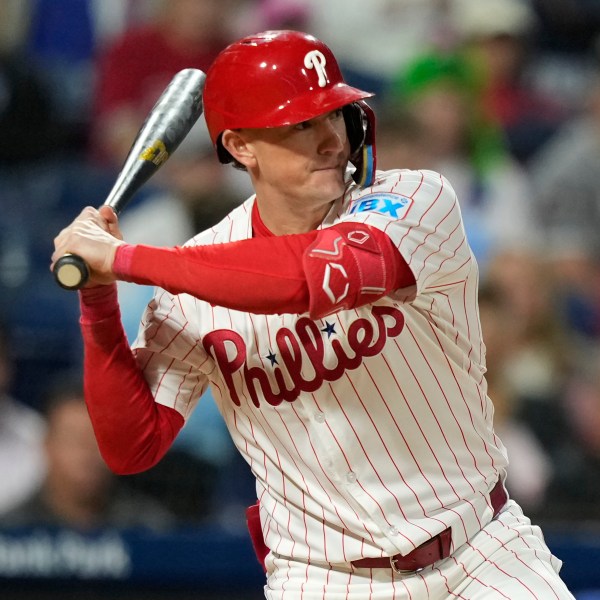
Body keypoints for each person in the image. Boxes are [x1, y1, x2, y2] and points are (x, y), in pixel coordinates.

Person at [51, 30, 573, 598]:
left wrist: (125, 258)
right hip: (324, 578)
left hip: (480, 551)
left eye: (335, 115)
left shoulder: (415, 202)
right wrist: (99, 297)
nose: (329, 140)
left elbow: (303, 277)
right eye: (300, 124)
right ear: (242, 146)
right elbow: (132, 448)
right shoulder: (190, 282)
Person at [1, 378, 174, 531]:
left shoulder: (149, 528)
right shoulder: (12, 529)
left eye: (99, 438)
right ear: (47, 446)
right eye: (74, 439)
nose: (87, 452)